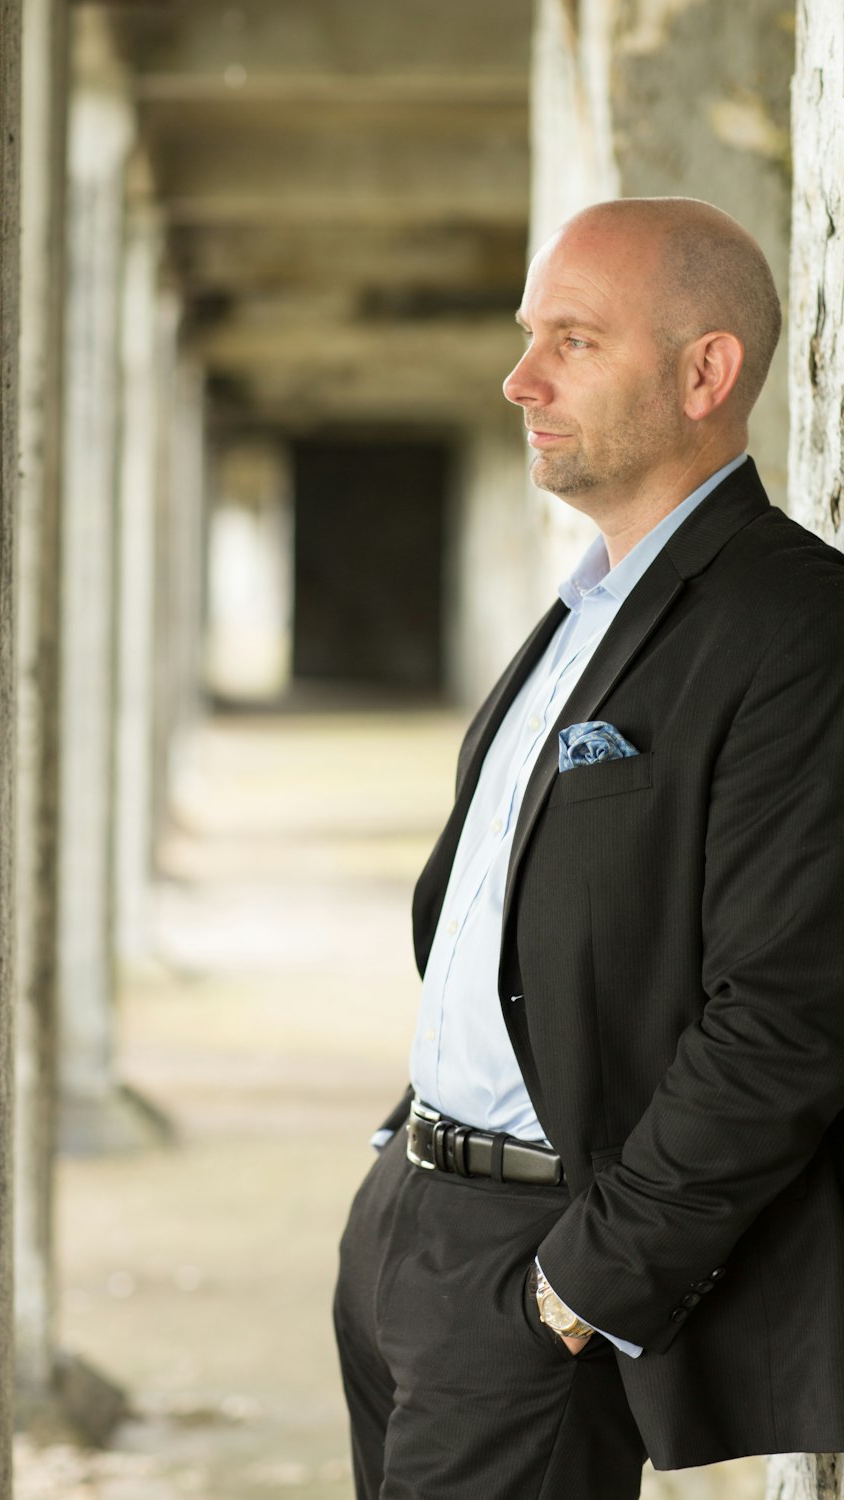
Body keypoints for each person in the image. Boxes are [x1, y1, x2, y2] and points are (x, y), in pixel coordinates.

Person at [333, 196, 844, 1500]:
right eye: (527, 336)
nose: (521, 380)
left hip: (538, 1259)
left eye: (573, 339)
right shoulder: (588, 605)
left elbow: (790, 1008)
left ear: (705, 372)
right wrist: (407, 1158)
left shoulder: (794, 628)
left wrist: (587, 1282)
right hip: (413, 1214)